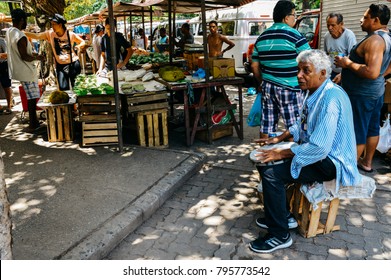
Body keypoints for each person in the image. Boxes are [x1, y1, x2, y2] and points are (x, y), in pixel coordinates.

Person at [249, 49, 361, 253]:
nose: (299, 75)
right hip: (320, 154)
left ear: (323, 73)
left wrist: (281, 153)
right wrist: (279, 139)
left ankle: (279, 235)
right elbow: (302, 125)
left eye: (306, 71)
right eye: (298, 70)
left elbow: (319, 147)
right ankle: (284, 216)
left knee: (272, 172)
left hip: (332, 162)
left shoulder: (330, 99)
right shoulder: (316, 92)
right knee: (264, 160)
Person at [335, 4, 391, 173]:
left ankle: (348, 171)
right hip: (375, 93)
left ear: (376, 20)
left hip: (362, 95)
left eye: (365, 17)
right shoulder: (388, 37)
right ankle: (366, 163)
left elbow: (371, 72)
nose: (361, 20)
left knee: (357, 131)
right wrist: (383, 75)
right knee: (372, 128)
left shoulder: (375, 40)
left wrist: (347, 63)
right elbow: (380, 71)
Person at [251, 0, 311, 138]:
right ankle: (291, 158)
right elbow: (310, 60)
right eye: (294, 15)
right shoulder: (295, 35)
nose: (295, 19)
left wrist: (261, 82)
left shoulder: (262, 37)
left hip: (268, 87)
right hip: (290, 88)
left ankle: (264, 156)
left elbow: (254, 65)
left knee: (267, 125)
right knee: (293, 127)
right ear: (286, 17)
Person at [6, 9, 45, 131]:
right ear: (22, 20)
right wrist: (38, 57)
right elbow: (24, 56)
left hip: (20, 70)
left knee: (31, 97)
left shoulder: (9, 32)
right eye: (26, 19)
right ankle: (33, 124)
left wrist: (31, 53)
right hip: (27, 71)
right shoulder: (20, 35)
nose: (26, 22)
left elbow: (20, 52)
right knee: (33, 98)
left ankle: (34, 121)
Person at [25, 14, 85, 91]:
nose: (52, 26)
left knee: (77, 88)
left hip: (73, 64)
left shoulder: (70, 34)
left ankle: (77, 103)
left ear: (60, 24)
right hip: (60, 66)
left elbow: (82, 42)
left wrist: (79, 46)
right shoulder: (50, 34)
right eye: (52, 24)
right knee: (63, 89)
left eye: (54, 24)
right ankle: (69, 103)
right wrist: (23, 33)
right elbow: (37, 36)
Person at [323, 13, 356, 83]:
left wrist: (342, 74)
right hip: (331, 72)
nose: (330, 28)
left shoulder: (349, 36)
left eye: (333, 25)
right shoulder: (327, 36)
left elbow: (353, 57)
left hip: (346, 73)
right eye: (328, 25)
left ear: (341, 24)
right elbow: (326, 54)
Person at [0, 37, 13, 114]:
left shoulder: (1, 41)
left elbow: (8, 54)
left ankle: (9, 106)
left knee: (6, 86)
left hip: (3, 65)